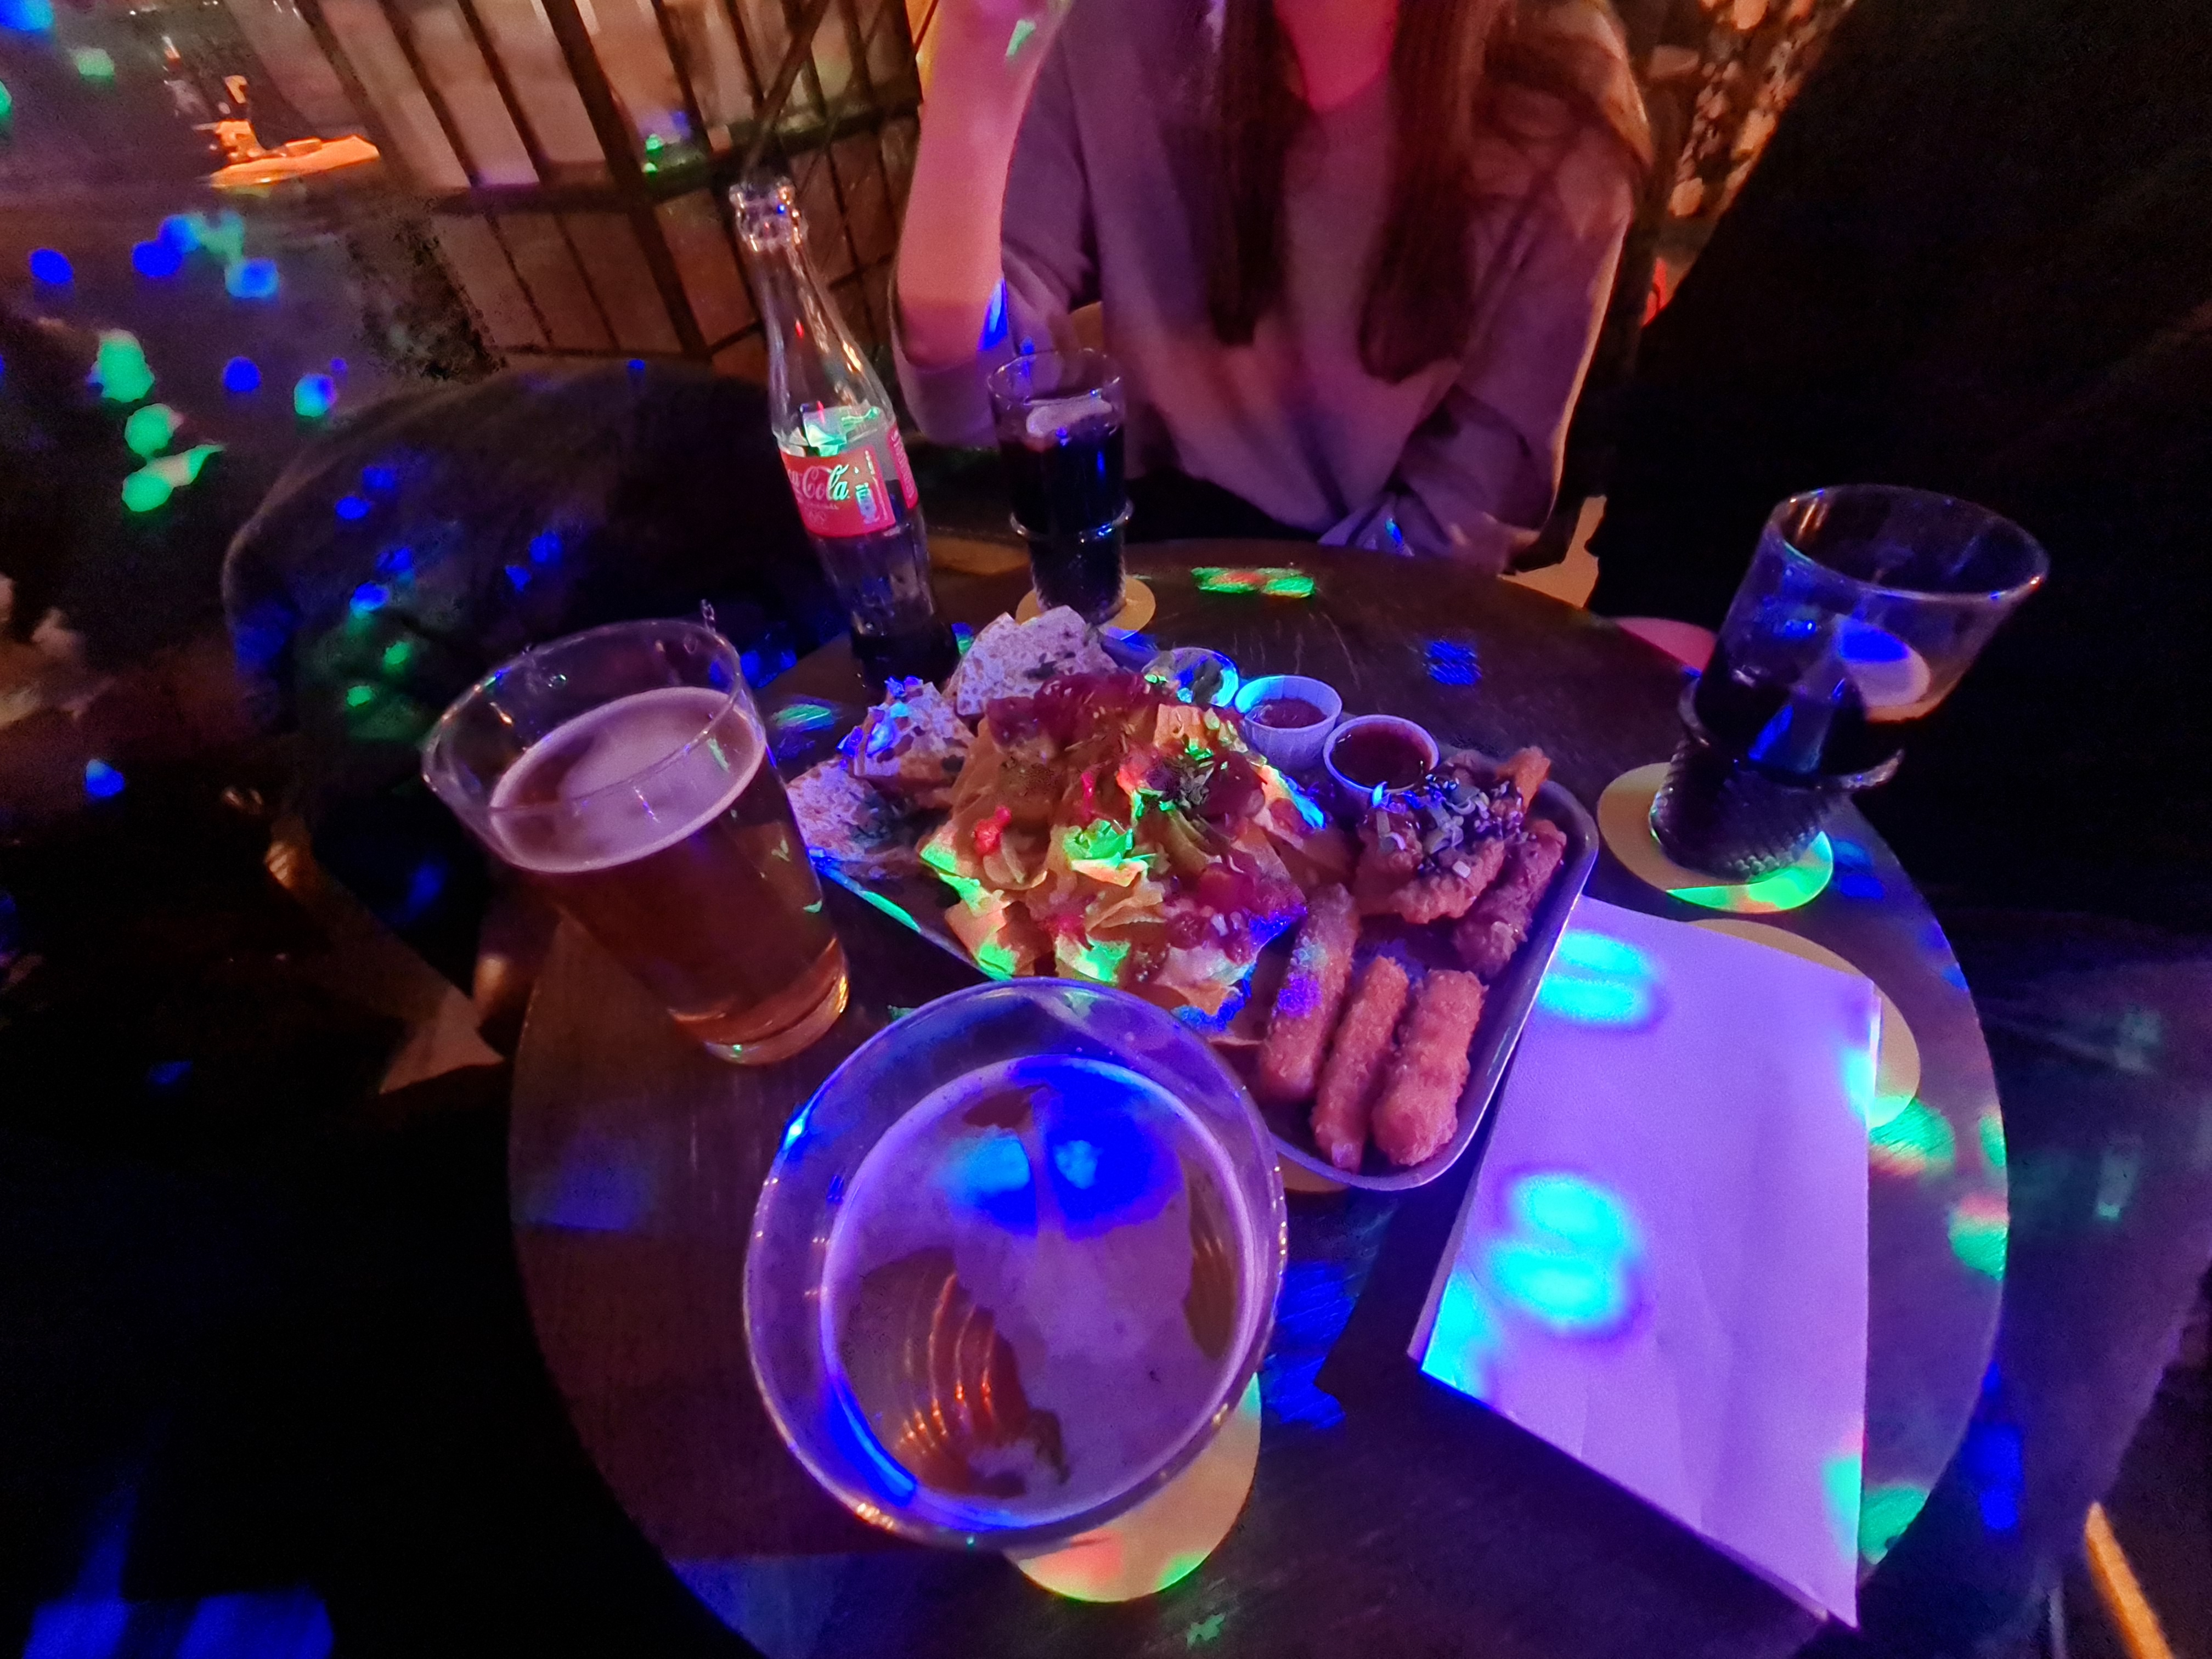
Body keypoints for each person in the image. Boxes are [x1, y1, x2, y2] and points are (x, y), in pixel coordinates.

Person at [894, 0, 1651, 563]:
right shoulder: (1112, 19)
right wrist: (975, 58)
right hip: (1153, 550)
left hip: (1380, 582)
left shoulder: (1561, 97)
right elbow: (974, 398)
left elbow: (1466, 506)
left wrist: (1274, 627)